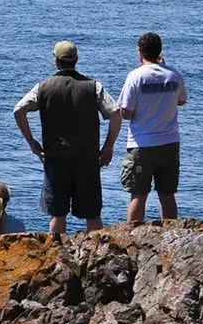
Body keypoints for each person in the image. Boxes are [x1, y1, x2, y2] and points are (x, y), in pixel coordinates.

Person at [13, 40, 122, 234]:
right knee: (92, 215)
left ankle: (57, 256)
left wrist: (32, 141)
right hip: (87, 159)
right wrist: (108, 147)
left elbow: (18, 110)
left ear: (56, 61)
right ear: (76, 60)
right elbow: (115, 113)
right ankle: (97, 256)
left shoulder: (43, 87)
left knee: (58, 214)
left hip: (56, 159)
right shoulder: (93, 87)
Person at [118, 32, 188, 222]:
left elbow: (126, 112)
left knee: (138, 195)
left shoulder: (135, 77)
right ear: (160, 51)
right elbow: (182, 101)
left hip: (142, 143)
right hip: (170, 142)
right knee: (167, 195)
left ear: (140, 51)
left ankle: (132, 236)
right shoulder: (174, 75)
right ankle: (172, 237)